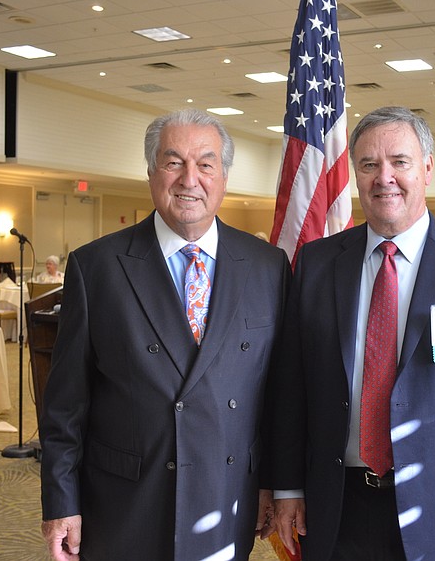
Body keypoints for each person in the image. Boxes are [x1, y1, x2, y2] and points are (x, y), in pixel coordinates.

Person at [266, 107, 435, 561]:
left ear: (428, 168)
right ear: (355, 173)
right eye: (369, 165)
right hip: (336, 504)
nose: (384, 177)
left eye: (400, 161)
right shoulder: (316, 262)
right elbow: (293, 386)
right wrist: (289, 485)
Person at [39, 109, 291, 560]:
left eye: (206, 164)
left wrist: (272, 482)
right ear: (152, 172)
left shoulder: (268, 266)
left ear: (225, 176)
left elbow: (275, 395)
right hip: (127, 502)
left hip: (227, 493)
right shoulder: (95, 267)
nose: (188, 179)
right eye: (173, 162)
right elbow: (65, 404)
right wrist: (62, 503)